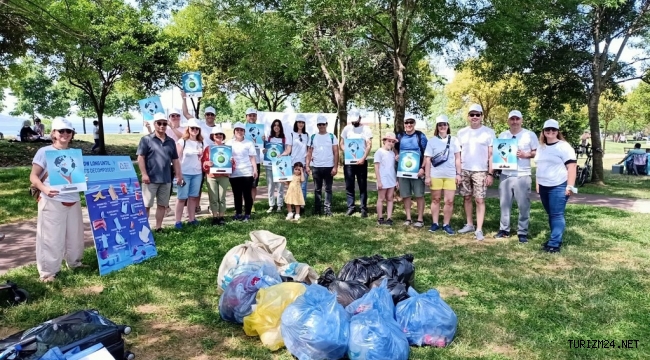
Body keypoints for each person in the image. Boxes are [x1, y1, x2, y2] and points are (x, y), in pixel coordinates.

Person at [29, 118, 85, 282]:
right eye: (62, 131)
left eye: (69, 131)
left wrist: (83, 180)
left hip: (72, 199)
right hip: (51, 200)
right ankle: (47, 272)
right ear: (53, 133)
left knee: (75, 235)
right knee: (50, 237)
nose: (65, 134)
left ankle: (75, 262)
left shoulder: (73, 153)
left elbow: (74, 177)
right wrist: (44, 188)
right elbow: (33, 176)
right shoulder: (44, 152)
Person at [495, 110, 539, 243]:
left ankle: (522, 232)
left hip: (522, 174)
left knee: (523, 205)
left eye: (517, 119)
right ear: (508, 121)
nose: (515, 121)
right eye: (512, 119)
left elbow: (537, 152)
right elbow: (499, 153)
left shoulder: (529, 135)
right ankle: (504, 230)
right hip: (506, 175)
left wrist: (526, 155)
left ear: (521, 120)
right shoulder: (503, 135)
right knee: (504, 204)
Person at [535, 119, 577, 253]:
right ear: (543, 131)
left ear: (558, 132)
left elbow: (572, 167)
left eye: (554, 129)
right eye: (547, 129)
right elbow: (539, 166)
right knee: (551, 214)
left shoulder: (564, 146)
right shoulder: (541, 147)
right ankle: (554, 238)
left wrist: (570, 186)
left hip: (558, 185)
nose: (550, 132)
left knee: (557, 214)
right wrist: (537, 183)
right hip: (543, 186)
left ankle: (554, 243)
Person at [136, 112, 183, 231]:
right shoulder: (146, 140)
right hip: (150, 179)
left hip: (166, 179)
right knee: (146, 205)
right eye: (159, 123)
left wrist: (178, 175)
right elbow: (140, 158)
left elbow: (175, 160)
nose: (162, 126)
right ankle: (143, 228)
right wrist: (144, 174)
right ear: (155, 124)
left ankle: (158, 227)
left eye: (164, 123)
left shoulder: (171, 141)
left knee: (162, 205)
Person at [456, 104, 495, 241]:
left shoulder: (489, 132)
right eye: (472, 114)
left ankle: (479, 229)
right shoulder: (461, 133)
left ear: (481, 116)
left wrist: (490, 174)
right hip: (465, 169)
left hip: (481, 170)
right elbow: (458, 155)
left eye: (477, 114)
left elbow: (491, 155)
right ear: (468, 116)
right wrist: (458, 173)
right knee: (466, 197)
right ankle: (469, 224)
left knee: (479, 199)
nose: (474, 117)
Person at [424, 115, 461, 235]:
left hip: (450, 175)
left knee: (449, 201)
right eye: (440, 125)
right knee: (435, 199)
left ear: (448, 126)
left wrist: (458, 174)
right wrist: (427, 176)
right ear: (437, 127)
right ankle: (435, 223)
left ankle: (446, 224)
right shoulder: (432, 141)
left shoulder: (454, 140)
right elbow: (428, 159)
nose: (442, 127)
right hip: (436, 175)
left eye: (444, 124)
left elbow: (457, 158)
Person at [394, 113, 428, 228]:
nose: (409, 124)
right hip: (403, 170)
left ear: (414, 123)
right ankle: (408, 218)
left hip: (417, 171)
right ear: (404, 124)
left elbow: (427, 154)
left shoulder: (420, 136)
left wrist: (423, 168)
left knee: (419, 195)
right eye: (406, 122)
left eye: (411, 122)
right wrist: (397, 155)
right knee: (406, 195)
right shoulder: (399, 136)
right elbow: (395, 149)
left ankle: (420, 219)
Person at [340, 110, 373, 217]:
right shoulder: (346, 129)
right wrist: (347, 151)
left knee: (362, 185)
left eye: (356, 120)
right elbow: (341, 143)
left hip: (361, 162)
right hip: (349, 163)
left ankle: (363, 208)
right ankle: (351, 207)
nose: (354, 122)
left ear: (360, 118)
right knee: (349, 185)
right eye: (352, 120)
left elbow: (369, 145)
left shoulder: (366, 129)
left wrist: (363, 158)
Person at [174, 118, 205, 229]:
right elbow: (176, 159)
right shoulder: (182, 141)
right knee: (182, 198)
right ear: (188, 128)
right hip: (184, 173)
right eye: (192, 128)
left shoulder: (201, 142)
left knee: (193, 197)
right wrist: (178, 174)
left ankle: (191, 219)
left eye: (197, 128)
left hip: (197, 173)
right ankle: (178, 221)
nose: (195, 130)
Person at [306, 115, 339, 216]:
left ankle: (327, 209)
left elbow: (336, 152)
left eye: (323, 124)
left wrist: (335, 166)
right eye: (319, 124)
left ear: (326, 124)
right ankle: (317, 209)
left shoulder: (332, 136)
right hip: (316, 167)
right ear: (317, 125)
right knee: (317, 189)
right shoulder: (313, 137)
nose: (321, 126)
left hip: (329, 166)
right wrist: (307, 165)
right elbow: (309, 152)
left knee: (328, 189)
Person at [202, 126, 233, 225]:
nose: (218, 136)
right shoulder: (209, 148)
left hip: (224, 175)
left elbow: (233, 164)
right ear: (213, 136)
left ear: (223, 136)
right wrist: (207, 163)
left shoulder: (227, 148)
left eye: (220, 134)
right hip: (212, 176)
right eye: (216, 134)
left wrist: (232, 162)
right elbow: (203, 162)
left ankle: (221, 217)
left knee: (222, 197)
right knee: (213, 197)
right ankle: (215, 217)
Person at [227, 122, 258, 221]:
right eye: (237, 130)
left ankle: (247, 214)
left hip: (247, 172)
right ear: (234, 131)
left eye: (241, 130)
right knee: (237, 194)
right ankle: (238, 213)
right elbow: (226, 156)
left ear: (244, 132)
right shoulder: (229, 143)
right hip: (234, 173)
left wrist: (255, 170)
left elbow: (252, 157)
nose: (239, 132)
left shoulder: (249, 143)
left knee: (247, 194)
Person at [264, 119, 290, 213]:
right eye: (274, 125)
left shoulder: (284, 138)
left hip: (280, 166)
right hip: (269, 165)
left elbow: (287, 150)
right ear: (272, 127)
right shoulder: (268, 138)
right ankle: (271, 205)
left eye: (278, 125)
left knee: (280, 186)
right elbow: (265, 150)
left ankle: (279, 205)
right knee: (270, 186)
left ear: (280, 127)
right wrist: (265, 151)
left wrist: (282, 155)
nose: (276, 127)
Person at [374, 132, 398, 226]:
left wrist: (396, 180)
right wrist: (379, 181)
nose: (390, 143)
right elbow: (376, 167)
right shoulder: (379, 152)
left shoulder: (392, 153)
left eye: (392, 142)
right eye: (389, 141)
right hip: (383, 179)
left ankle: (389, 217)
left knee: (390, 198)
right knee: (381, 198)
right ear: (384, 141)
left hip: (391, 179)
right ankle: (380, 217)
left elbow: (393, 167)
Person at [287, 114, 309, 204]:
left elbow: (308, 151)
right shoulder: (292, 134)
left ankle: (301, 205)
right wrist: (280, 155)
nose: (301, 124)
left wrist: (307, 165)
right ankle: (292, 203)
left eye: (302, 122)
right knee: (292, 185)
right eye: (299, 122)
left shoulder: (307, 135)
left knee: (303, 186)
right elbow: (288, 149)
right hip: (293, 164)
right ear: (296, 123)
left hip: (303, 164)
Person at [245, 108, 261, 212]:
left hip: (257, 161)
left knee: (253, 185)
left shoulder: (260, 129)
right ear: (246, 116)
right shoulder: (241, 128)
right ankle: (244, 204)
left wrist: (263, 140)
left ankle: (252, 204)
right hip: (244, 162)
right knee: (244, 185)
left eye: (254, 115)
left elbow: (263, 147)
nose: (252, 117)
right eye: (250, 115)